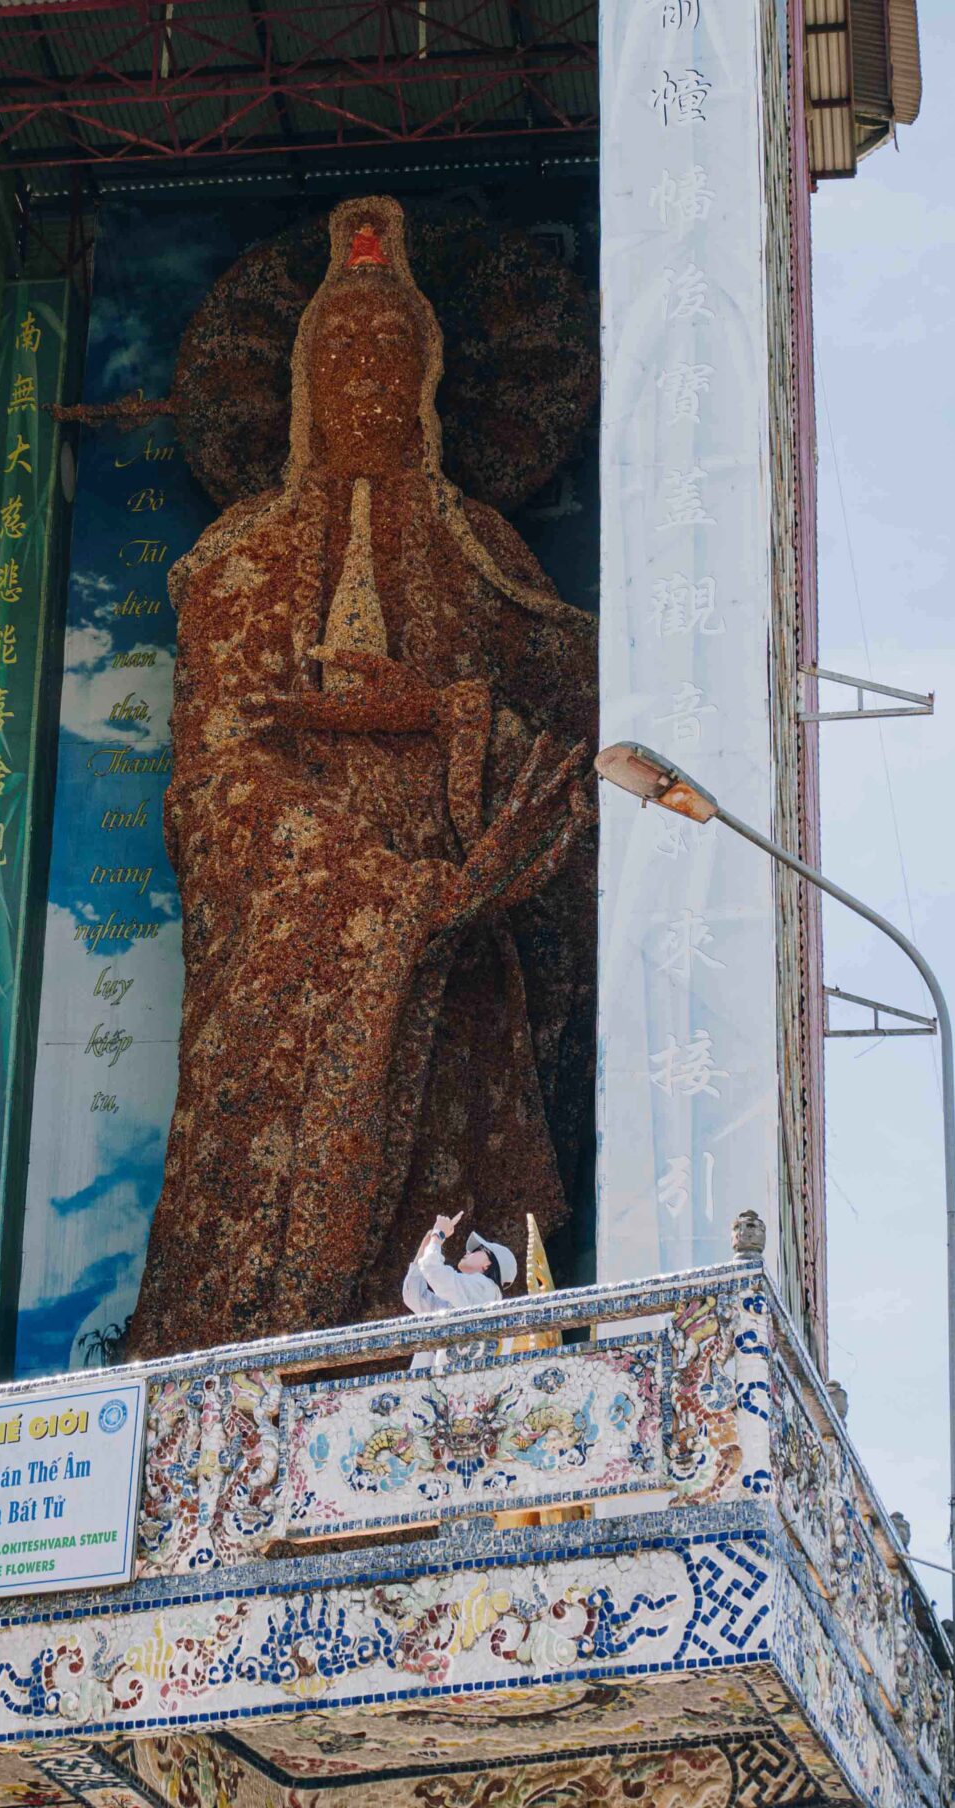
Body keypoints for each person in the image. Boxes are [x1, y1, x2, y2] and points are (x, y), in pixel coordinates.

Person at [127, 195, 595, 1360]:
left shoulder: (479, 547)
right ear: (300, 380)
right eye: (340, 351)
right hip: (294, 951)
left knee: (452, 1178)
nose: (367, 377)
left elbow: (569, 742)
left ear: (429, 375)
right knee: (249, 1164)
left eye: (391, 350)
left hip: (460, 939)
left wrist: (443, 717)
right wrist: (381, 897)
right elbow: (213, 782)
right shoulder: (236, 561)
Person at [401, 1211, 518, 1375]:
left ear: (487, 1265)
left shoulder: (486, 1289)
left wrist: (439, 1235)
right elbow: (414, 1296)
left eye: (477, 1250)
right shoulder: (468, 1297)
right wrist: (424, 1249)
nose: (468, 1252)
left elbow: (433, 1269)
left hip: (455, 1383)